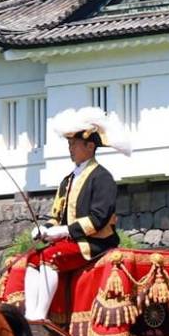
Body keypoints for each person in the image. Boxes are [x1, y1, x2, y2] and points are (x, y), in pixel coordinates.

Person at [24, 107, 130, 321]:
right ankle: (29, 314)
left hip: (96, 242)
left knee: (50, 256)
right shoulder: (68, 180)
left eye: (74, 144)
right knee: (33, 257)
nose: (70, 149)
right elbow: (56, 215)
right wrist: (45, 228)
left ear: (90, 146)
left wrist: (64, 231)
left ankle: (41, 316)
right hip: (71, 241)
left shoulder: (102, 178)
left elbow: (98, 219)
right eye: (69, 144)